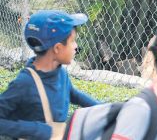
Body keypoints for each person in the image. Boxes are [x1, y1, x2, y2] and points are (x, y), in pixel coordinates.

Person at [0, 10, 100, 139]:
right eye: (73, 41)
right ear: (57, 48)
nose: (76, 46)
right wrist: (34, 129)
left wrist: (105, 108)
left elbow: (73, 94)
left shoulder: (60, 73)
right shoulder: (25, 83)